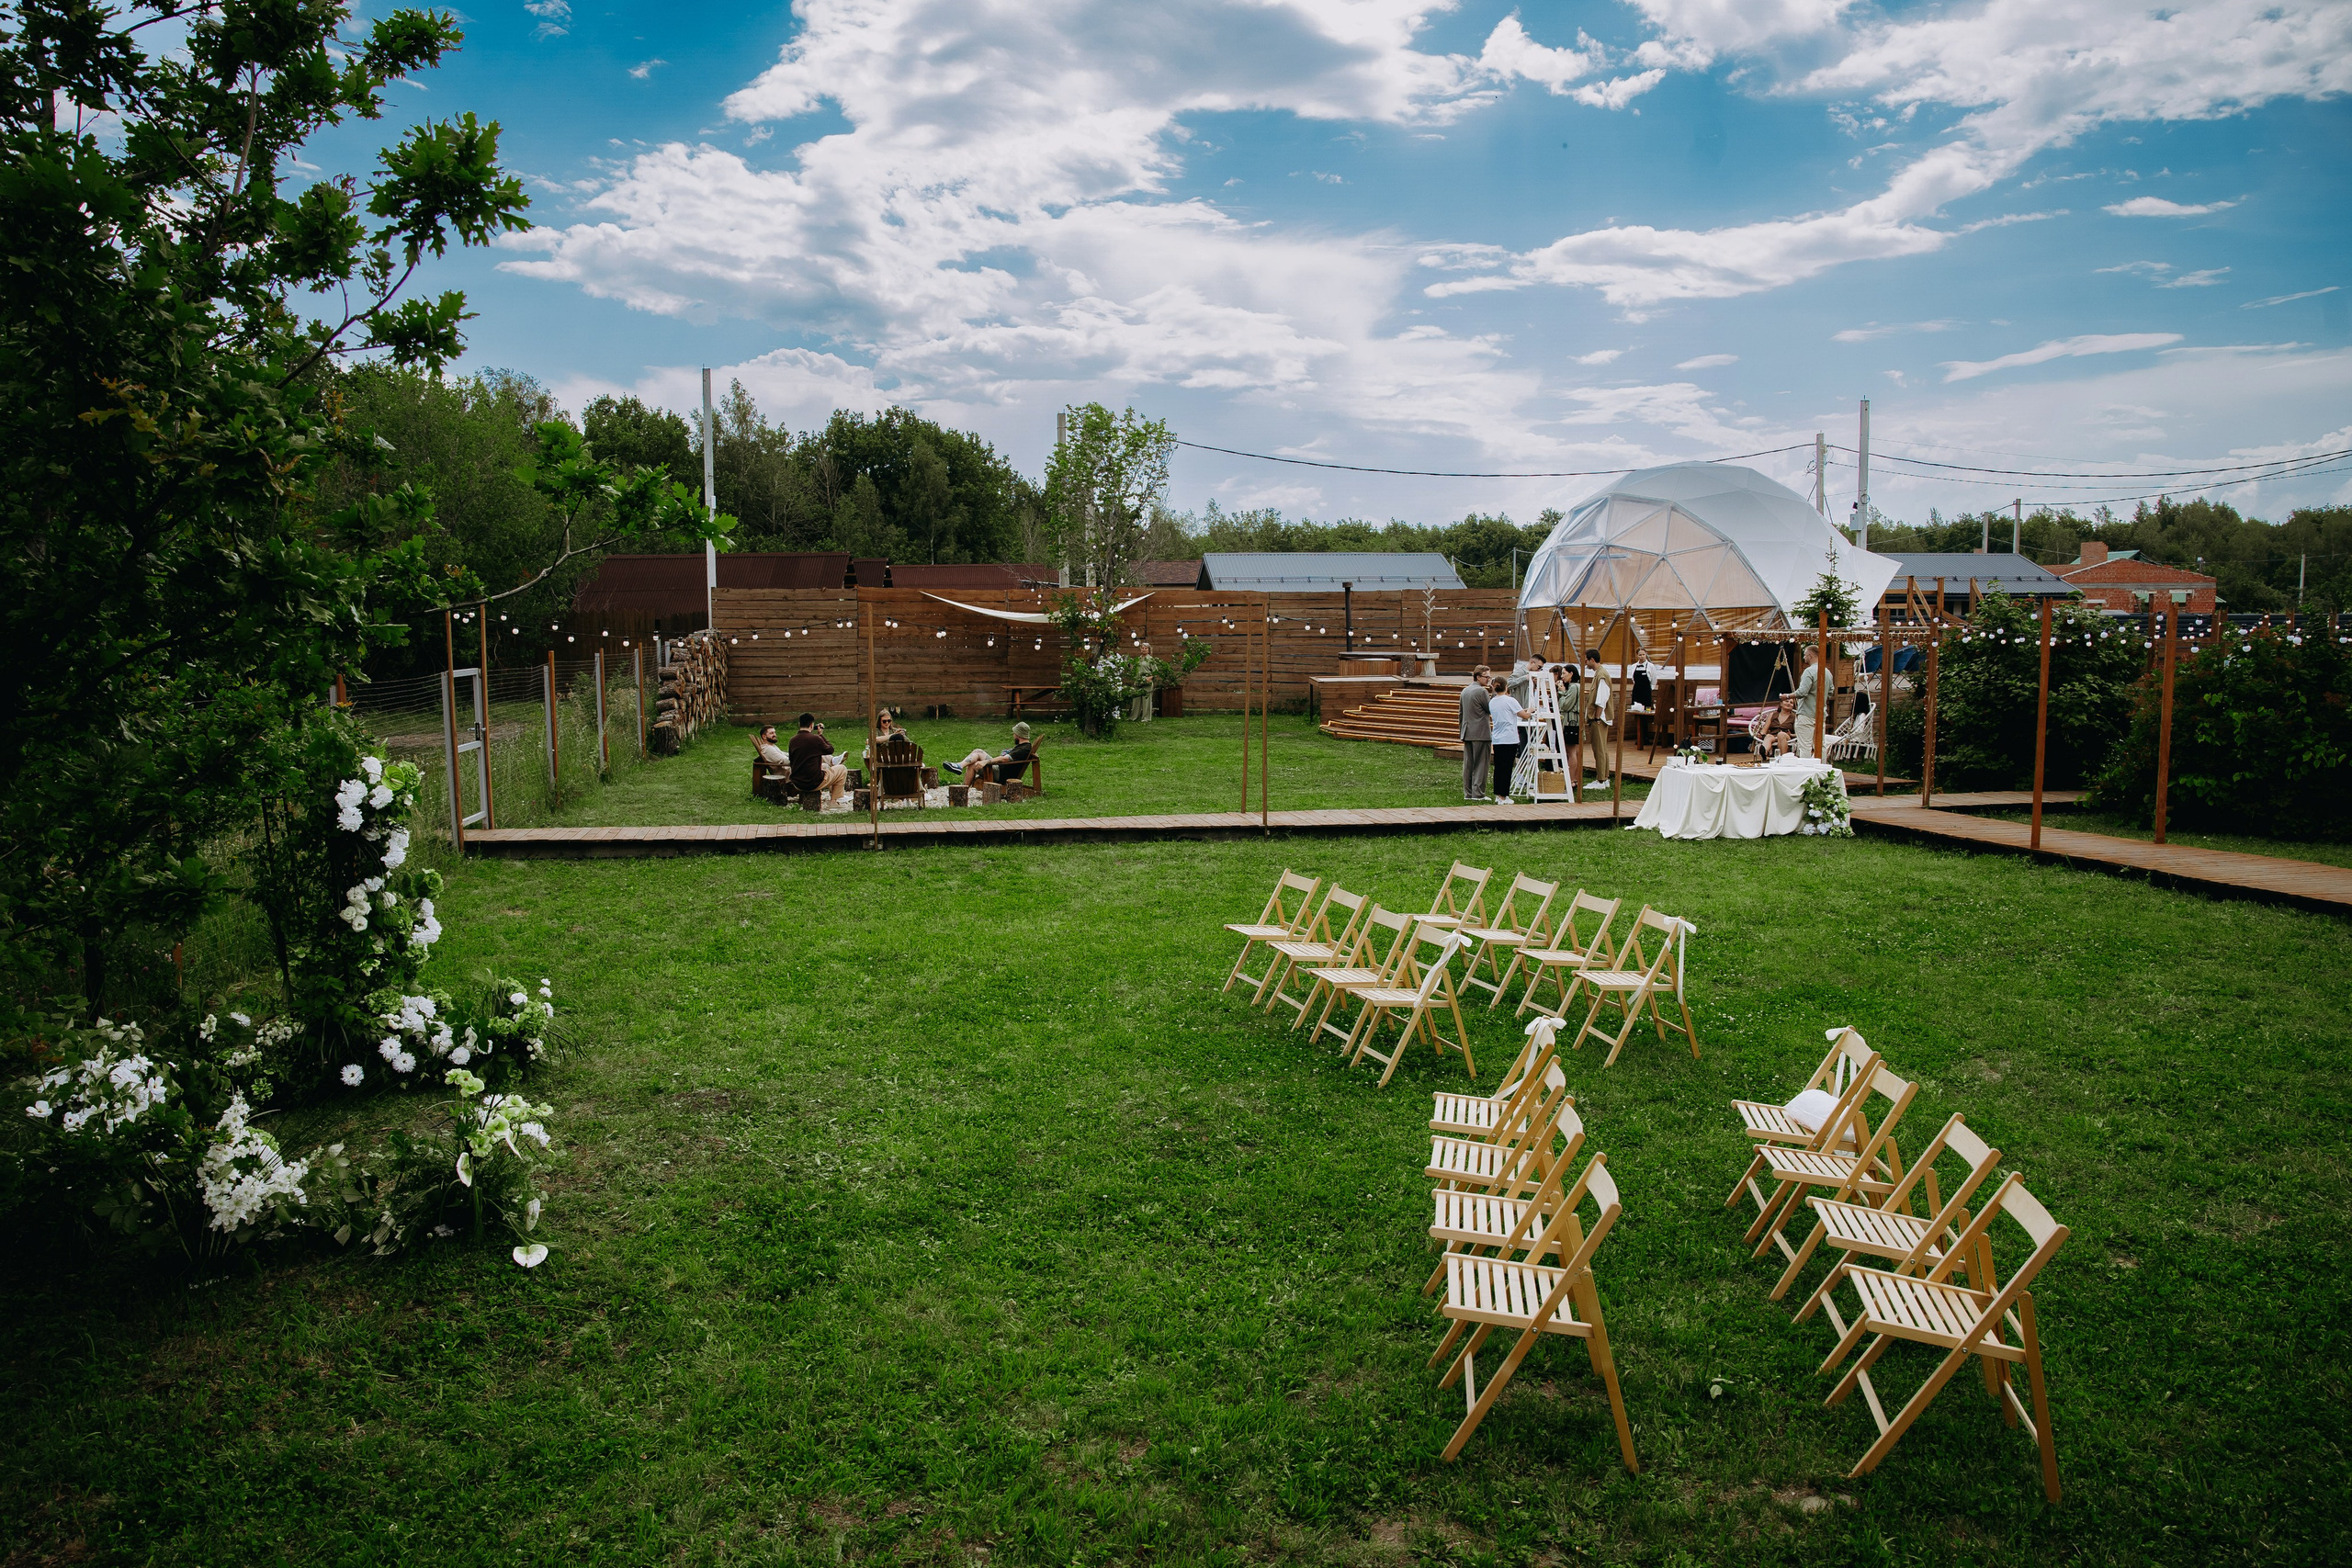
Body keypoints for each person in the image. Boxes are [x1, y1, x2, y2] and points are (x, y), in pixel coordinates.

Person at [947, 721, 1035, 787]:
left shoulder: (1024, 749)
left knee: (974, 761)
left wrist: (986, 762)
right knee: (976, 756)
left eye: (1014, 733)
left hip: (1001, 774)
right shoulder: (1024, 746)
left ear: (1018, 735)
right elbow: (1010, 756)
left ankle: (961, 774)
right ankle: (960, 767)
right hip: (1001, 769)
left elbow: (1004, 759)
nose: (1013, 735)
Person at [786, 714, 847, 807]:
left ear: (799, 724)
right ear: (811, 725)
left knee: (825, 766)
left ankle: (833, 795)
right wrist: (821, 735)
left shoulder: (792, 740)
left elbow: (791, 759)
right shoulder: (815, 739)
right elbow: (830, 749)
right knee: (842, 769)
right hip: (813, 783)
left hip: (797, 782)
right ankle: (834, 802)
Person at [1579, 649, 1613, 791]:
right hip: (1600, 718)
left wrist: (1597, 717)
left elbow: (1601, 699)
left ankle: (1601, 780)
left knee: (1599, 749)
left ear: (1592, 660)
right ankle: (1604, 778)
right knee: (1602, 749)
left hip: (1599, 719)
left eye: (1586, 660)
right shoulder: (1599, 674)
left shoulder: (1602, 675)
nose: (1585, 663)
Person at [1487, 673, 1524, 802]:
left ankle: (1498, 794)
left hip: (1497, 738)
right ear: (1506, 687)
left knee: (1499, 767)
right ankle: (1504, 795)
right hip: (1510, 738)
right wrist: (1530, 710)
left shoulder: (1492, 702)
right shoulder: (1510, 701)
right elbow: (1524, 715)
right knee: (1507, 767)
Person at [1458, 664, 1492, 801]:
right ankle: (1478, 794)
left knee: (1468, 764)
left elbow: (1461, 713)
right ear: (1478, 677)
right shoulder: (1481, 691)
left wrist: (1462, 731)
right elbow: (1490, 709)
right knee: (1481, 764)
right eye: (1486, 677)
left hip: (1467, 731)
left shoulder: (1465, 691)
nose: (1489, 680)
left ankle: (1468, 793)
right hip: (1481, 732)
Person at [1792, 645, 1824, 759]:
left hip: (1806, 713)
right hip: (1820, 714)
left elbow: (1802, 692)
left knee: (1805, 746)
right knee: (1820, 745)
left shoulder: (1809, 671)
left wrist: (1787, 696)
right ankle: (1822, 770)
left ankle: (1805, 772)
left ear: (1810, 656)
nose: (1804, 658)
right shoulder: (1826, 672)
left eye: (1805, 655)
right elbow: (1830, 691)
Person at [754, 725, 791, 798]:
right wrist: (801, 760)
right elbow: (785, 761)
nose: (775, 735)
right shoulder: (768, 749)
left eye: (774, 732)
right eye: (771, 733)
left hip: (790, 770)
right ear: (764, 736)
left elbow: (784, 754)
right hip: (788, 774)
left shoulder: (771, 746)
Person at [1758, 694, 1799, 759]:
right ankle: (1764, 752)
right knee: (1768, 736)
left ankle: (1783, 758)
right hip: (1774, 736)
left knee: (1781, 735)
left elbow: (1799, 734)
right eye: (1786, 701)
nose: (1789, 703)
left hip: (1787, 737)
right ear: (1781, 704)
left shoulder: (1794, 717)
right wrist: (1761, 735)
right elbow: (1764, 731)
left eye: (1791, 703)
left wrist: (1791, 735)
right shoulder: (1772, 715)